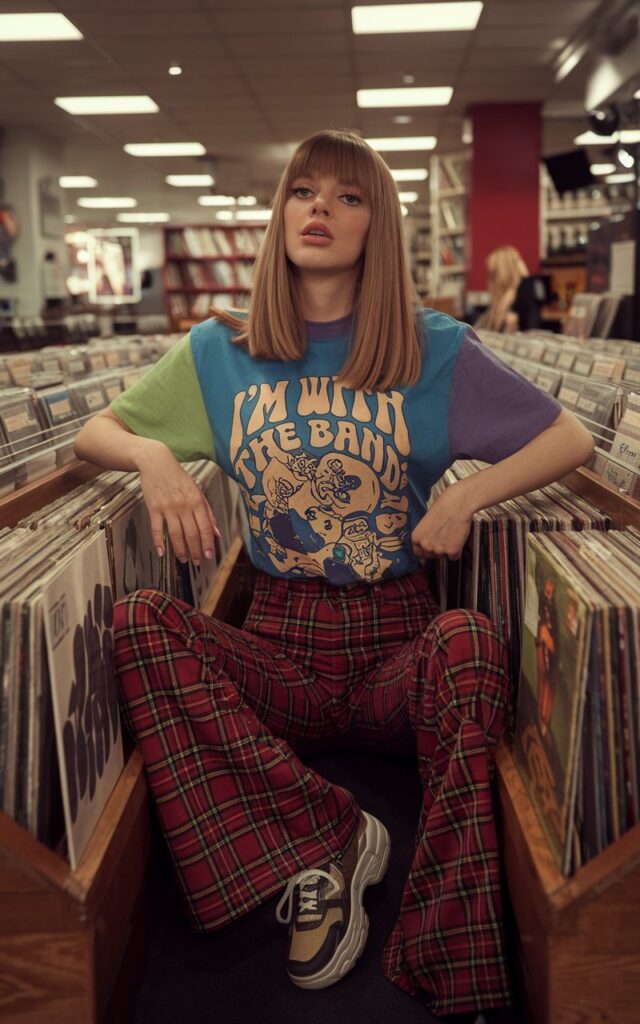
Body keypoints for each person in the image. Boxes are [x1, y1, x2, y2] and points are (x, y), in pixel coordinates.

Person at [74, 129, 594, 1022]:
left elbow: (570, 438)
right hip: (282, 644)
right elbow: (95, 436)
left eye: (348, 197)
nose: (319, 208)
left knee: (469, 642)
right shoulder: (218, 351)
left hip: (397, 643)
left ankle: (449, 953)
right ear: (279, 216)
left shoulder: (436, 350)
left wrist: (471, 498)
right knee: (139, 624)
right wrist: (158, 459)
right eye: (303, 191)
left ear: (378, 225)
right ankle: (332, 839)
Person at [478, 244, 545, 333]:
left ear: (502, 275)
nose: (488, 282)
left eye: (492, 275)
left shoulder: (520, 301)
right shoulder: (496, 308)